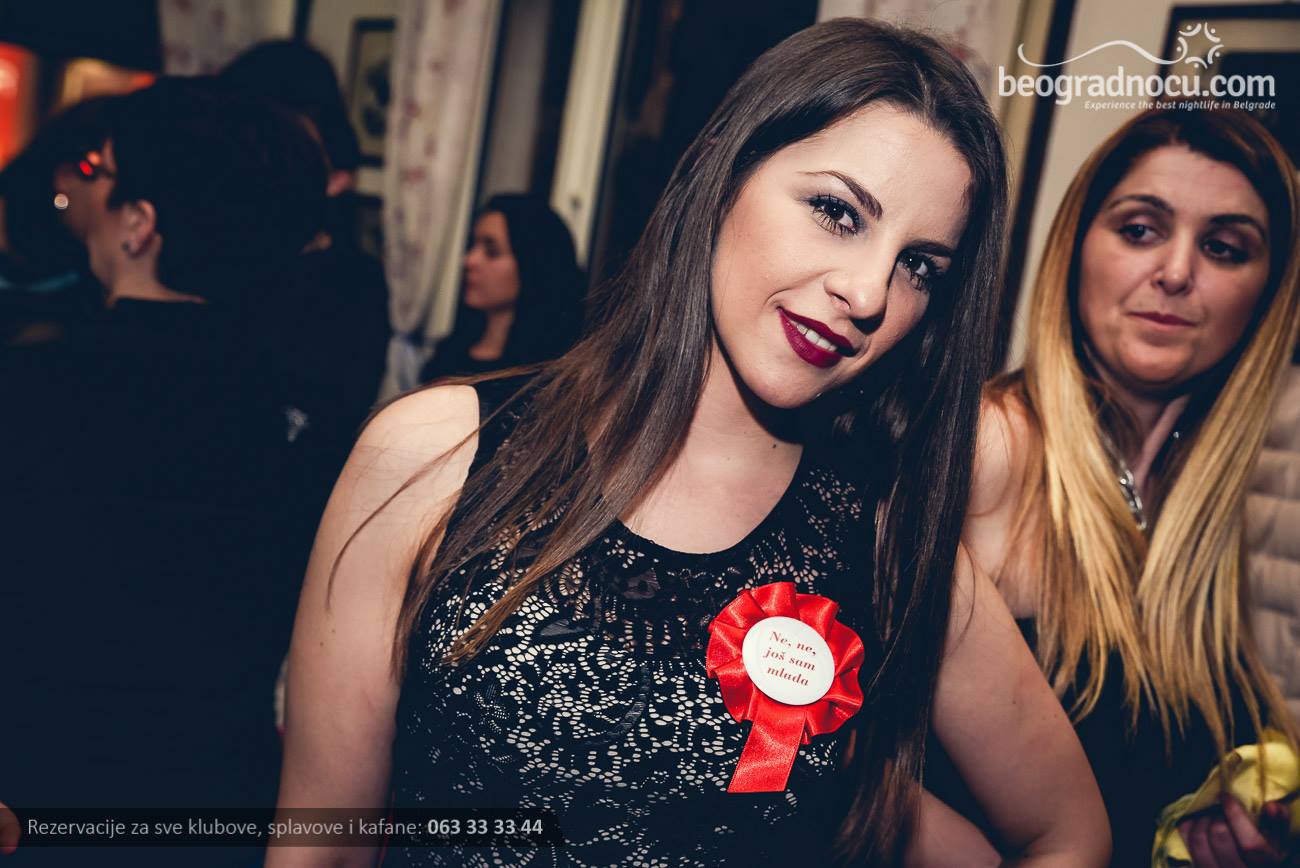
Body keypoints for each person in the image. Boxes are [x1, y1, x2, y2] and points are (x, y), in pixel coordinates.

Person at [271, 19, 1109, 868]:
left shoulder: (883, 537)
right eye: (836, 212)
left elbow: (1069, 835)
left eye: (919, 266)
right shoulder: (436, 455)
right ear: (724, 170)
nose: (868, 293)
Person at [928, 109, 1300, 866]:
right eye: (1139, 230)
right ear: (1075, 248)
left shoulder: (1203, 503)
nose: (1176, 272)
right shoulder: (989, 449)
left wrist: (1233, 825)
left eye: (1224, 248)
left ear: (1267, 296)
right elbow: (837, 759)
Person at [0, 78, 326, 865]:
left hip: (40, 792)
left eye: (102, 173)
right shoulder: (304, 418)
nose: (87, 193)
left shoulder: (36, 387)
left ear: (140, 224)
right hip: (217, 802)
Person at [421, 193, 585, 381]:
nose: (469, 260)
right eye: (473, 246)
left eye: (492, 252)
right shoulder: (449, 353)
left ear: (532, 264)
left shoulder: (547, 373)